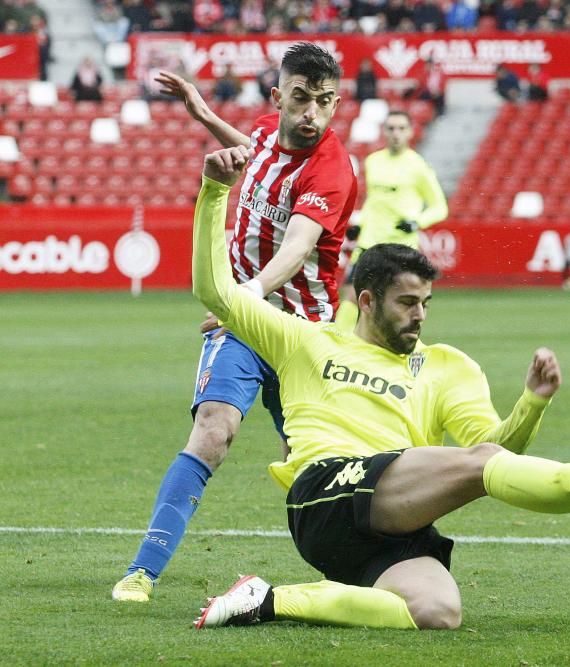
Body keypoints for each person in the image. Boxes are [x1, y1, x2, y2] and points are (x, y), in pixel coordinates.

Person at [188, 147, 570, 630]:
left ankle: (266, 600)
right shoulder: (305, 340)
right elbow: (213, 288)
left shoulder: (447, 366)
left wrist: (531, 402)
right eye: (406, 302)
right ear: (366, 301)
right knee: (473, 463)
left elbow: (498, 451)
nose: (419, 314)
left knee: (436, 612)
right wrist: (215, 192)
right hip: (323, 496)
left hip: (389, 517)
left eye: (426, 302)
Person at [112, 42, 358, 603]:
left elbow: (297, 248)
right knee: (214, 429)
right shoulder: (269, 130)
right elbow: (258, 150)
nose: (311, 113)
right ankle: (142, 571)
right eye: (301, 98)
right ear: (279, 96)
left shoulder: (333, 170)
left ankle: (360, 571)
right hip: (246, 328)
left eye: (324, 102)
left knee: (325, 462)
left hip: (304, 335)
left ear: (337, 103)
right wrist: (202, 113)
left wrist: (241, 296)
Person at [335, 110, 448, 331]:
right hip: (369, 242)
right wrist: (361, 223)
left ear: (410, 132)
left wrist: (417, 222)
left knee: (401, 299)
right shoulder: (373, 161)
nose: (396, 133)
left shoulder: (418, 166)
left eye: (401, 128)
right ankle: (337, 343)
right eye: (391, 128)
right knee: (350, 294)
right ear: (384, 132)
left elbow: (440, 207)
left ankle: (402, 347)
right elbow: (373, 200)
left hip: (401, 247)